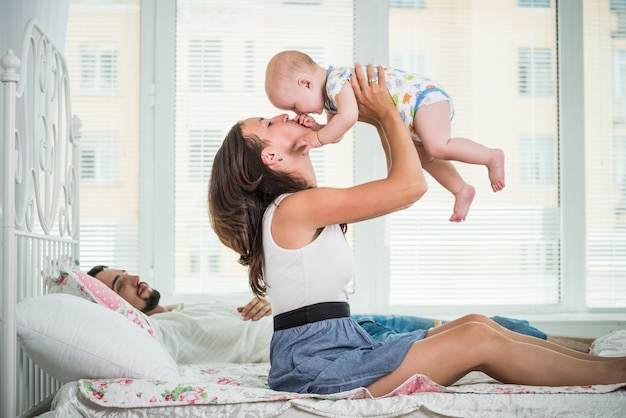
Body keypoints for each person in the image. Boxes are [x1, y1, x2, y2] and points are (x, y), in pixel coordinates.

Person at [209, 63, 626, 396]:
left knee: (476, 324)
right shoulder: (295, 207)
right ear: (271, 158)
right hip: (317, 363)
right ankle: (616, 371)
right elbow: (409, 185)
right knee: (477, 342)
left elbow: (405, 171)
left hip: (335, 346)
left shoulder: (298, 206)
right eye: (267, 122)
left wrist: (378, 115)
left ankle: (609, 368)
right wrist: (387, 109)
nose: (281, 114)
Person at [90, 265, 589, 366]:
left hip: (335, 319)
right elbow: (105, 324)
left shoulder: (184, 305)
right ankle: (592, 359)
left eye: (127, 272)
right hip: (328, 338)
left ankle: (587, 353)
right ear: (111, 305)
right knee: (471, 330)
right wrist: (88, 290)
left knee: (470, 324)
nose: (133, 279)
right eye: (119, 286)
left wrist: (270, 301)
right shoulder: (158, 333)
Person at [265, 50, 506, 222]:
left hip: (423, 99)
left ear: (306, 83)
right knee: (425, 157)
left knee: (437, 146)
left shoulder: (335, 82)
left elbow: (348, 118)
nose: (298, 113)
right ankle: (461, 189)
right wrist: (317, 128)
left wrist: (317, 139)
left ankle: (491, 156)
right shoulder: (330, 101)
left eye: (295, 106)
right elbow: (337, 133)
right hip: (412, 115)